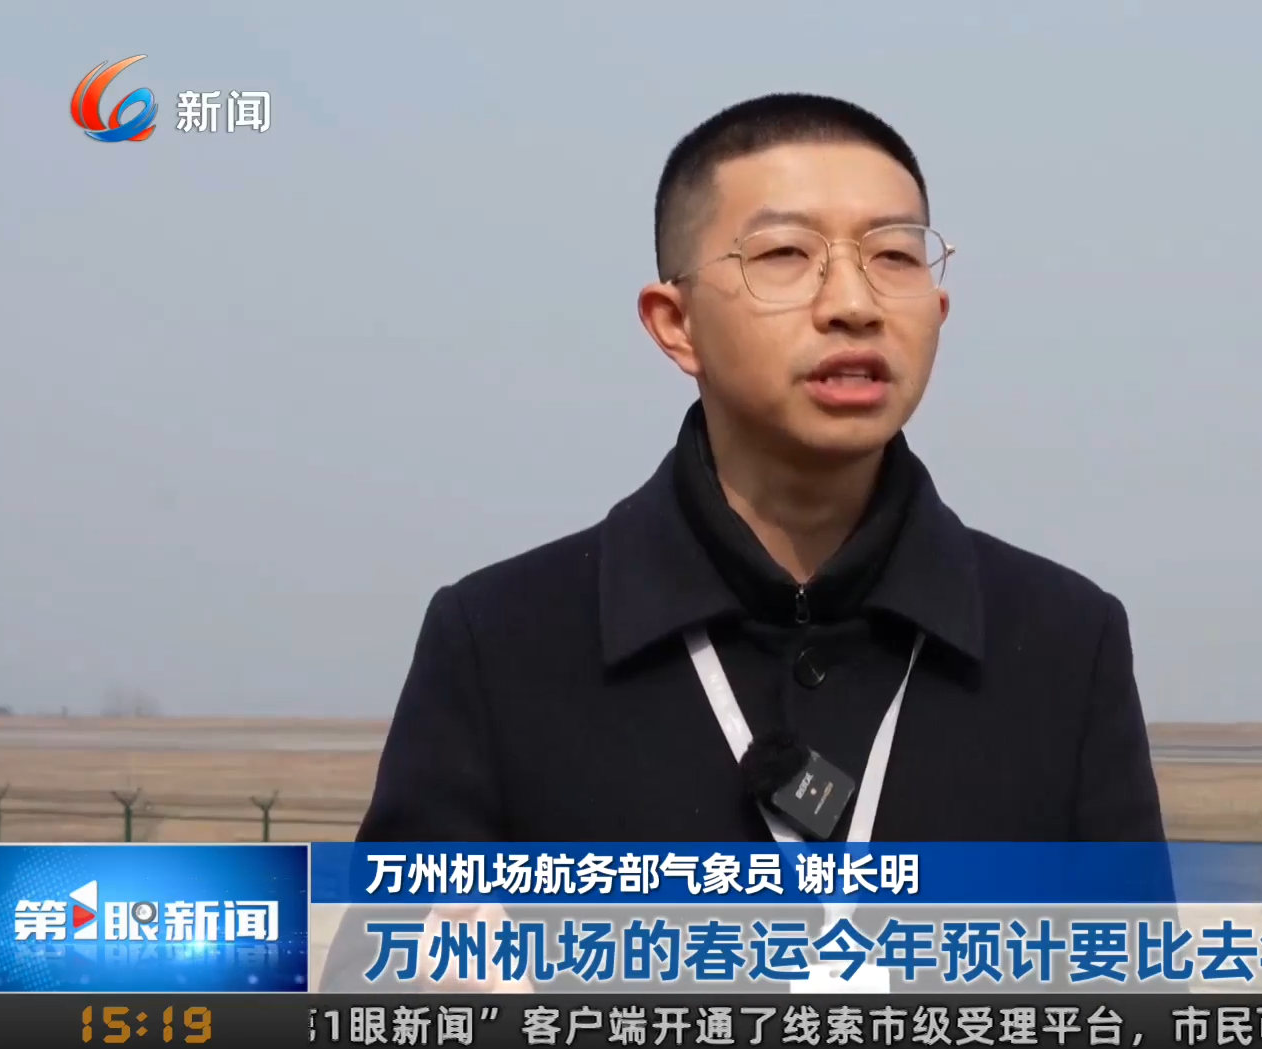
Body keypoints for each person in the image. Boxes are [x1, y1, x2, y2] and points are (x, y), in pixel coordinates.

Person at [357, 92, 1165, 846]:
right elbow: (392, 948)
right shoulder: (499, 642)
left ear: (938, 311)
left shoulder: (1066, 642)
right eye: (784, 252)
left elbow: (1127, 950)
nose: (854, 303)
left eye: (894, 254)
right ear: (675, 324)